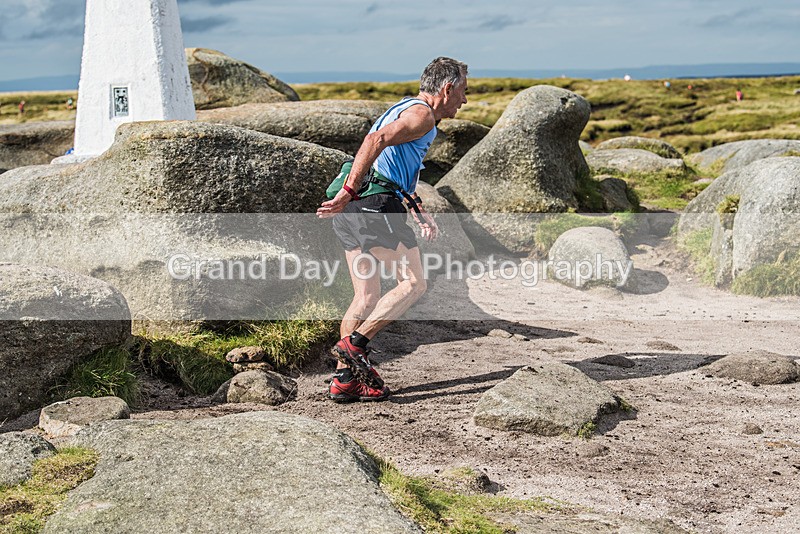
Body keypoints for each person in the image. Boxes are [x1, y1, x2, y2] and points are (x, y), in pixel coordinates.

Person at [317, 56, 468, 402]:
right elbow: (376, 140)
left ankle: (344, 381)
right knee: (414, 284)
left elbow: (394, 167)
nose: (464, 100)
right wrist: (349, 190)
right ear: (447, 89)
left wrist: (416, 209)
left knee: (365, 296)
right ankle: (355, 346)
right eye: (463, 92)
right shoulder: (423, 115)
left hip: (357, 210)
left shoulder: (406, 107)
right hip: (371, 204)